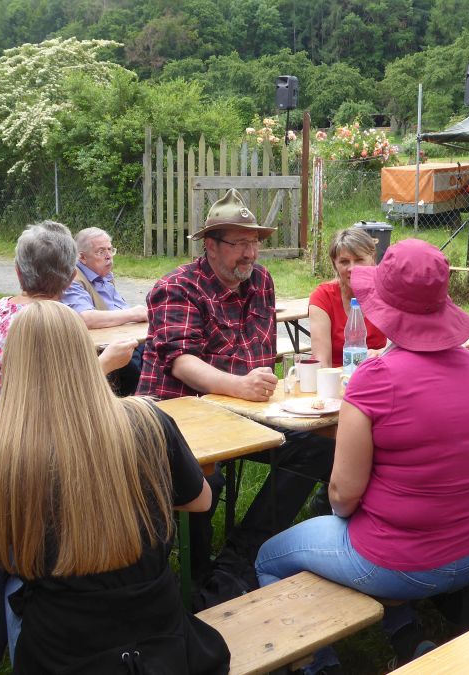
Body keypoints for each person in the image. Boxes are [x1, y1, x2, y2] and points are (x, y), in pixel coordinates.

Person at [0, 301, 229, 674]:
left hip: (62, 657)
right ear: (87, 353)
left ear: (12, 367)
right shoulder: (148, 420)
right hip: (161, 648)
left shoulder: (4, 459)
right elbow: (201, 501)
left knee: (13, 585)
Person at [256, 240, 469, 670]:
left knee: (269, 558)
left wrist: (353, 515)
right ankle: (407, 637)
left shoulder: (376, 377)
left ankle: (319, 665)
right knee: (372, 546)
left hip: (398, 561)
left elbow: (342, 495)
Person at [138, 188, 333, 603]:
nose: (251, 253)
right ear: (210, 245)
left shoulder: (260, 280)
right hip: (177, 415)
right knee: (205, 477)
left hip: (241, 412)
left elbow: (259, 354)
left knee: (320, 447)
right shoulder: (176, 287)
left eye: (255, 242)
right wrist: (240, 384)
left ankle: (240, 558)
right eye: (240, 243)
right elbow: (181, 363)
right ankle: (196, 579)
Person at [0, 221, 136, 433]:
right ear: (71, 278)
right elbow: (63, 395)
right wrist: (107, 362)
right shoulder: (59, 320)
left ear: (18, 271)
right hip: (36, 435)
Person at [61, 226, 147, 394]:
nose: (108, 256)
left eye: (110, 249)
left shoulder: (104, 275)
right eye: (101, 251)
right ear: (82, 257)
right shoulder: (73, 279)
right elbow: (86, 318)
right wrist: (134, 314)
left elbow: (116, 308)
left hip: (126, 338)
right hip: (103, 351)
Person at [307, 227, 388, 367]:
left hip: (379, 372)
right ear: (334, 263)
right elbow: (322, 362)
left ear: (373, 258)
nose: (352, 268)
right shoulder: (322, 297)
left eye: (359, 260)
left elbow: (405, 348)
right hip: (336, 377)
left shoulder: (387, 293)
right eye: (344, 262)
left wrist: (381, 353)